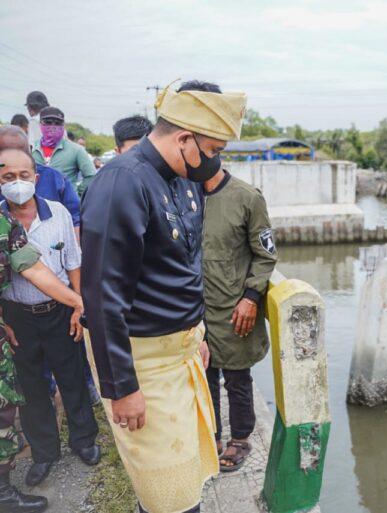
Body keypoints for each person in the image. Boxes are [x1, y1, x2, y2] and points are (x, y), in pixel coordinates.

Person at [81, 79, 246, 513]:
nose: (215, 162)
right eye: (212, 150)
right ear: (184, 137)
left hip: (183, 350)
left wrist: (199, 333)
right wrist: (123, 388)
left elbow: (185, 266)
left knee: (186, 472)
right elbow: (102, 296)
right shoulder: (122, 183)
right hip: (143, 359)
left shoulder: (183, 178)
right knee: (167, 491)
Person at [0, 148, 100, 489]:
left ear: (36, 178)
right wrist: (4, 320)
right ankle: (44, 453)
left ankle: (84, 440)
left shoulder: (56, 213)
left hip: (59, 313)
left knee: (72, 376)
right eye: (7, 177)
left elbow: (73, 261)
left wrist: (78, 306)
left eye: (23, 176)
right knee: (31, 388)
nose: (17, 183)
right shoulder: (1, 223)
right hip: (18, 317)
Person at [202, 165, 277, 472]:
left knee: (237, 378)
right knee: (203, 376)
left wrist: (251, 297)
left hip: (233, 306)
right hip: (194, 308)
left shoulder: (247, 198)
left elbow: (266, 254)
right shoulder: (181, 194)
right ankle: (212, 435)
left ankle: (241, 438)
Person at [0, 126, 81, 237]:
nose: (14, 159)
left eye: (19, 152)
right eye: (6, 154)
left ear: (30, 149)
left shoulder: (56, 179)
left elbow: (75, 220)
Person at [31, 107, 96, 197]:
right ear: (40, 124)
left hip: (67, 206)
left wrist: (76, 193)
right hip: (38, 205)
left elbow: (91, 176)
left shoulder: (76, 150)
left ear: (63, 126)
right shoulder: (31, 149)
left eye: (58, 123)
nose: (53, 126)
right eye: (48, 122)